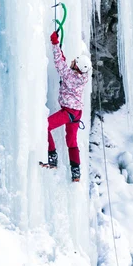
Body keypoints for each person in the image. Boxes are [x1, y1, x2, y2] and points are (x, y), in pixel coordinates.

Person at [44, 30, 91, 182]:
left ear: (76, 67)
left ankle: (52, 156)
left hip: (68, 112)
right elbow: (65, 65)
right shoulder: (82, 76)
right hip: (76, 113)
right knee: (72, 142)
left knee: (45, 126)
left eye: (74, 62)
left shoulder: (70, 75)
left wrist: (55, 43)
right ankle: (76, 173)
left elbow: (60, 64)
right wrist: (60, 51)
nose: (72, 61)